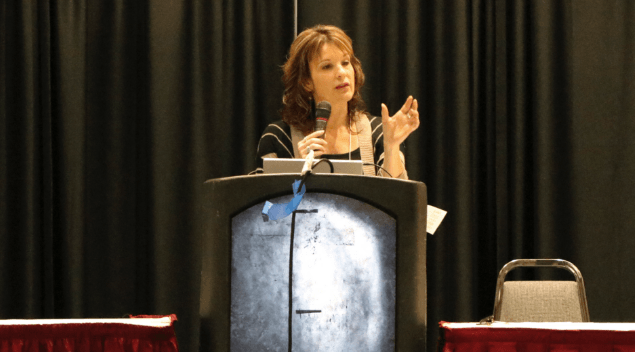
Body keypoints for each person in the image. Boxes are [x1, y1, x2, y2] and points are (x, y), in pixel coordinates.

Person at [256, 24, 419, 179]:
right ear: (307, 81)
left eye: (346, 62)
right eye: (327, 66)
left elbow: (398, 201)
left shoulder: (379, 132)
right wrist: (297, 168)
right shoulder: (278, 138)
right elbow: (266, 208)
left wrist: (391, 146)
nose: (341, 73)